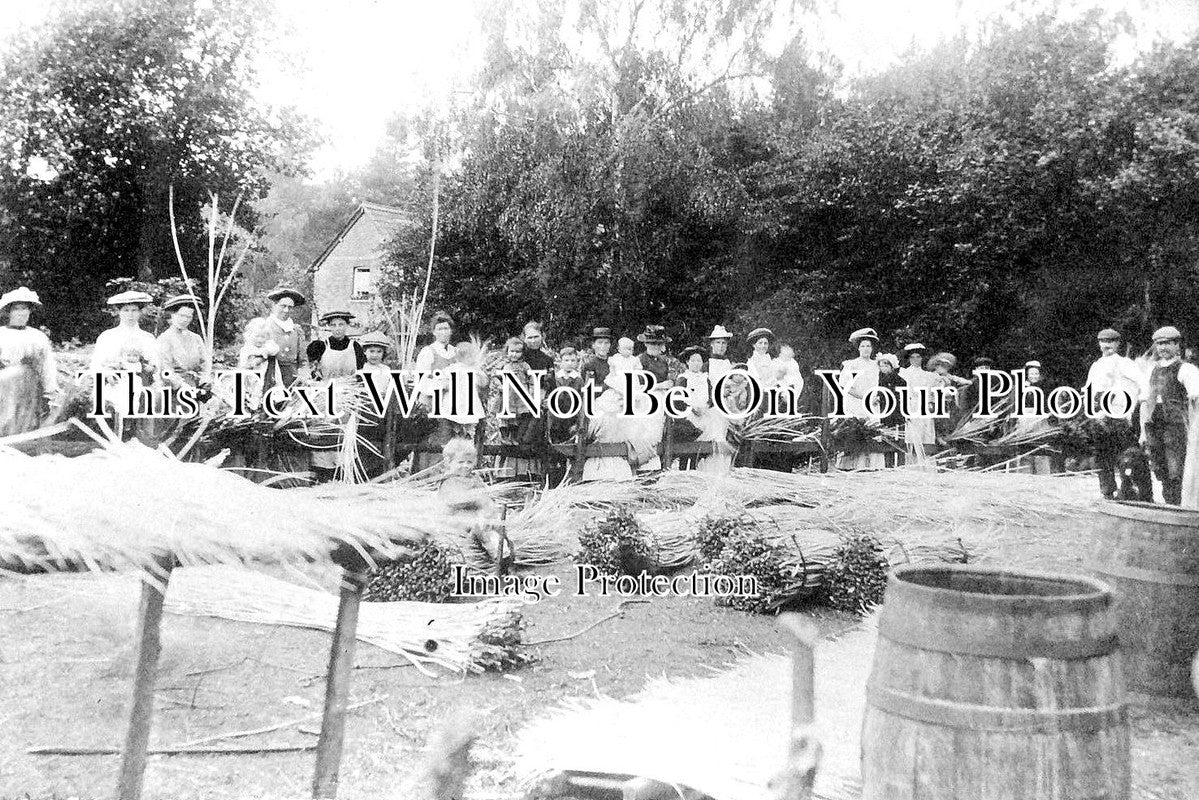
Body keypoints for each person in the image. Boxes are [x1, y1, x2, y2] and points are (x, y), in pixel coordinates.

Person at [1140, 326, 1199, 505]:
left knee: (1176, 468)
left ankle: (1179, 505)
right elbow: (1144, 401)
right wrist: (1143, 431)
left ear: (1176, 345)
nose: (1162, 348)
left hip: (1175, 425)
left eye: (1166, 344)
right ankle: (1169, 503)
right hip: (1153, 423)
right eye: (1159, 344)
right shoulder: (1151, 369)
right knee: (1159, 467)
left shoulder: (1186, 369)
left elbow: (1195, 396)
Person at [306, 311, 366, 482]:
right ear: (329, 327)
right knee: (324, 430)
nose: (338, 328)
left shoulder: (355, 347)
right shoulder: (321, 346)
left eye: (341, 324)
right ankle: (322, 472)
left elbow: (361, 374)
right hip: (327, 395)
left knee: (345, 433)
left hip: (348, 395)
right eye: (334, 325)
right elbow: (314, 374)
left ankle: (343, 472)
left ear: (346, 326)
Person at [437, 438, 512, 572]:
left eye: (469, 462)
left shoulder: (475, 479)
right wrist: (475, 499)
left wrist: (489, 508)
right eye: (460, 462)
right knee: (479, 525)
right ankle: (495, 550)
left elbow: (486, 497)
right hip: (457, 520)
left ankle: (503, 550)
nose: (466, 466)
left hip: (477, 516)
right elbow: (453, 501)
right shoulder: (449, 481)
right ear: (449, 462)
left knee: (493, 522)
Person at [1085, 328, 1143, 499]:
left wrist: (1130, 409)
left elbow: (1142, 385)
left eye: (1110, 342)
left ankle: (1127, 489)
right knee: (1102, 457)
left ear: (1118, 343)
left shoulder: (1125, 363)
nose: (1106, 345)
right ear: (1099, 343)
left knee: (1125, 456)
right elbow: (1089, 391)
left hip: (1120, 416)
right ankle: (1107, 492)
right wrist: (1092, 414)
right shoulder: (1096, 366)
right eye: (1103, 342)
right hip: (1100, 417)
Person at [0, 286, 57, 435]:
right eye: (16, 309)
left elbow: (47, 366)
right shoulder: (1, 334)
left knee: (28, 419)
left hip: (31, 386)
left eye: (24, 309)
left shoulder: (38, 336)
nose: (21, 313)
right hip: (4, 385)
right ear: (9, 311)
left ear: (30, 311)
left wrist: (50, 391)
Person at [413, 312, 458, 472]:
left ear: (451, 331)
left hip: (450, 401)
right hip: (431, 401)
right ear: (433, 331)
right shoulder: (428, 352)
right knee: (432, 438)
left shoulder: (455, 352)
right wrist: (441, 385)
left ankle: (446, 473)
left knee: (449, 437)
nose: (443, 332)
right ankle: (427, 474)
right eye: (439, 329)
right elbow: (421, 381)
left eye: (446, 328)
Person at [838, 327, 884, 469]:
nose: (865, 349)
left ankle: (871, 466)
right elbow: (846, 386)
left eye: (868, 346)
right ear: (858, 348)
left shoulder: (877, 365)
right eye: (863, 346)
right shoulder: (851, 364)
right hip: (855, 404)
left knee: (872, 433)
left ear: (872, 348)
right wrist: (865, 397)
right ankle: (851, 466)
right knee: (855, 431)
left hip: (872, 405)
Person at [156, 294, 207, 391]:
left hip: (194, 387)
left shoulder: (196, 338)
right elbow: (165, 369)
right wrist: (180, 385)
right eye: (181, 315)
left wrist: (204, 381)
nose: (184, 320)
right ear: (172, 315)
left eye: (188, 317)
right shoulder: (164, 339)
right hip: (172, 389)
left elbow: (204, 365)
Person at [260, 286, 308, 387]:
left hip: (292, 380)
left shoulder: (296, 330)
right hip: (271, 378)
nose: (286, 310)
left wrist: (304, 375)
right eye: (283, 306)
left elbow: (303, 361)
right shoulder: (264, 327)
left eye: (290, 307)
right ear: (274, 305)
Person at [899, 343, 936, 458]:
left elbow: (932, 393)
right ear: (909, 359)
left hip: (924, 407)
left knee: (926, 434)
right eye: (912, 357)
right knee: (913, 435)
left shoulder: (928, 375)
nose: (915, 360)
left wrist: (931, 403)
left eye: (918, 357)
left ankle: (927, 464)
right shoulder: (904, 373)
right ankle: (913, 464)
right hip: (911, 406)